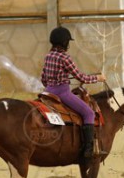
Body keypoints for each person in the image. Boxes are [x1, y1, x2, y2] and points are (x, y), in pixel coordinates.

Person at [41, 26, 106, 158]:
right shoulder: (65, 58)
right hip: (62, 93)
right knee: (88, 113)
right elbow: (81, 78)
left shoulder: (48, 56)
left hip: (47, 92)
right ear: (65, 42)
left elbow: (43, 78)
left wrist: (53, 84)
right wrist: (98, 78)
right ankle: (89, 149)